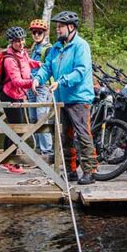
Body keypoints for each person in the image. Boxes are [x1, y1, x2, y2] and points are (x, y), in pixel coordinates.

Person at [32, 11, 98, 185]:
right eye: (57, 27)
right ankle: (71, 171)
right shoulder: (56, 47)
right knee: (65, 136)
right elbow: (47, 67)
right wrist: (38, 79)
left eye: (60, 27)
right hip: (63, 98)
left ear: (71, 27)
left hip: (79, 98)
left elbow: (81, 71)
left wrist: (61, 82)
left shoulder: (80, 46)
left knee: (83, 135)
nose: (58, 30)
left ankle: (90, 172)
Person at [0, 26, 35, 174]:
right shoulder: (9, 59)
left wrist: (42, 65)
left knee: (13, 128)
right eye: (17, 41)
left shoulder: (23, 52)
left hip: (19, 95)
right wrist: (32, 83)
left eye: (22, 40)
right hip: (9, 95)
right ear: (11, 42)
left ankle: (5, 160)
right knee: (17, 129)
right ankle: (12, 163)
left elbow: (28, 63)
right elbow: (16, 81)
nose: (21, 43)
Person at [26, 19, 53, 160]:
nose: (36, 35)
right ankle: (38, 149)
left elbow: (48, 69)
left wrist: (38, 81)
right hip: (30, 85)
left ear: (45, 33)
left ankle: (47, 152)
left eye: (39, 32)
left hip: (42, 87)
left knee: (42, 118)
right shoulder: (33, 47)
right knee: (33, 118)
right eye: (34, 32)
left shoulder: (48, 48)